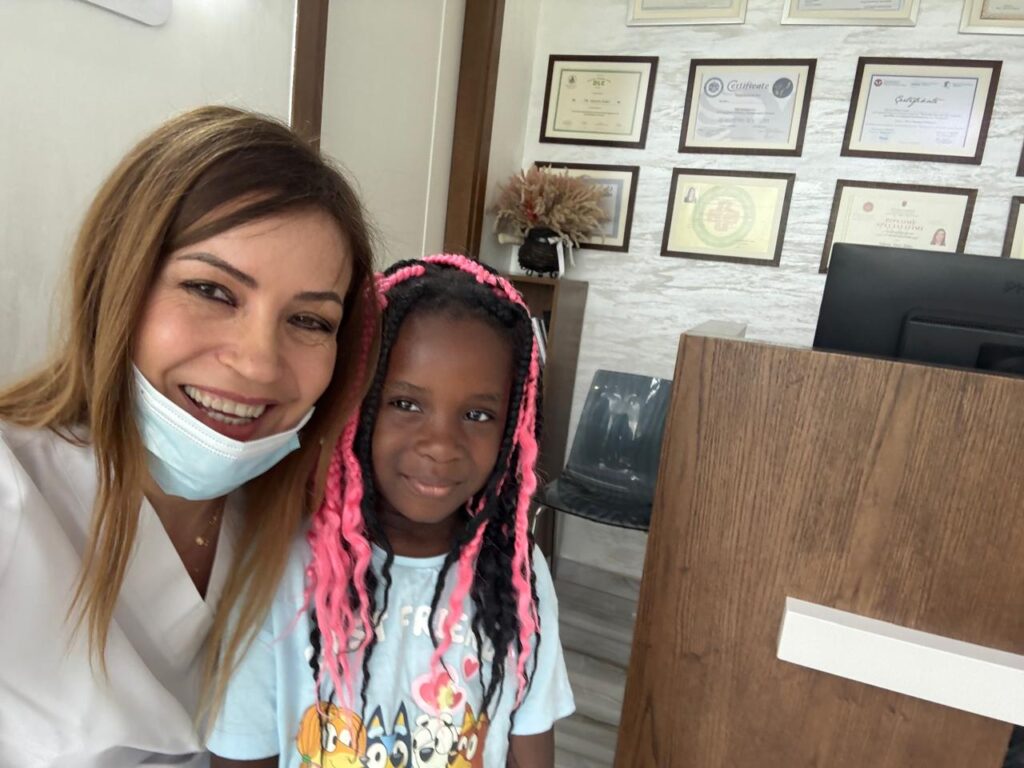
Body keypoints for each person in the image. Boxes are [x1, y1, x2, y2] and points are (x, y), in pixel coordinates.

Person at [0, 106, 378, 766]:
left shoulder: (299, 526)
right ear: (118, 283)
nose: (258, 363)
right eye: (211, 290)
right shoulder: (12, 491)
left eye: (310, 321)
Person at [208, 256, 575, 768]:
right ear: (357, 404)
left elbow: (530, 743)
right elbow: (242, 750)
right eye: (405, 404)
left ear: (512, 429)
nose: (440, 445)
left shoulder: (517, 575)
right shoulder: (281, 571)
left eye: (477, 415)